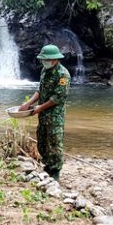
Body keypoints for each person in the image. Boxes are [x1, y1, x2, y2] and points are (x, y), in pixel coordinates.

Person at [19, 44, 70, 181]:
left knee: (55, 143)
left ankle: (55, 171)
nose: (43, 62)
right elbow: (40, 90)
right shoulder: (44, 71)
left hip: (55, 116)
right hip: (43, 115)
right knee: (41, 141)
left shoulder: (63, 75)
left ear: (54, 60)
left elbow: (56, 98)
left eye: (45, 60)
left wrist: (39, 108)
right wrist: (28, 103)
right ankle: (47, 165)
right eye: (42, 60)